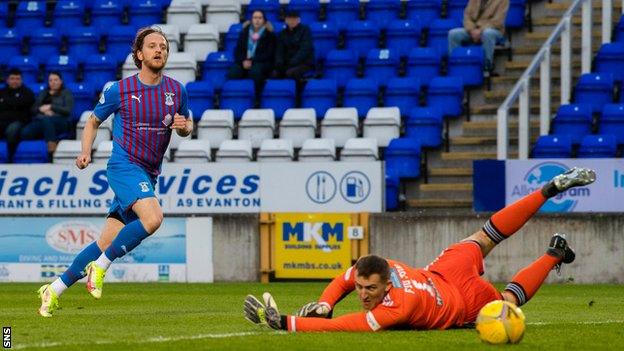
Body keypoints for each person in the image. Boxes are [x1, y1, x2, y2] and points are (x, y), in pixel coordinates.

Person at [244, 167, 596, 332]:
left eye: (370, 290)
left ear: (386, 285)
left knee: (508, 301)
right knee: (486, 235)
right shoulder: (382, 267)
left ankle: (553, 252)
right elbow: (343, 281)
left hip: (463, 303)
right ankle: (548, 196)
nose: (363, 294)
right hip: (445, 272)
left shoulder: (398, 307)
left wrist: (289, 323)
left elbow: (346, 326)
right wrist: (325, 302)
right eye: (361, 288)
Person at [37, 26, 193, 317]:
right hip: (123, 166)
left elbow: (186, 125)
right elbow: (93, 121)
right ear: (139, 54)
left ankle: (54, 289)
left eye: (164, 46)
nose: (159, 50)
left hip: (147, 174)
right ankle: (102, 267)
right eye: (152, 46)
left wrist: (186, 128)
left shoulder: (176, 90)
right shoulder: (119, 90)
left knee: (104, 242)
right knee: (154, 217)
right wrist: (85, 151)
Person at [20, 71, 74, 155]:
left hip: (61, 121)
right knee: (25, 133)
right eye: (50, 80)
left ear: (61, 81)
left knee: (46, 120)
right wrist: (41, 110)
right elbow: (33, 109)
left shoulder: (66, 93)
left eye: (56, 80)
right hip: (42, 120)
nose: (53, 82)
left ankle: (51, 148)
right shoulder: (43, 93)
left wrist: (51, 107)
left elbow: (67, 110)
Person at [448, 0, 509, 72]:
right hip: (473, 29)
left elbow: (497, 21)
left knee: (487, 34)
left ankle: (487, 65)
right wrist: (471, 30)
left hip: (494, 30)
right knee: (453, 34)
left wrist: (480, 29)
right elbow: (467, 16)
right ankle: (454, 63)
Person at [227, 10, 276, 93]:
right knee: (234, 71)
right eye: (255, 18)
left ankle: (256, 97)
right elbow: (238, 51)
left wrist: (252, 61)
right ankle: (236, 95)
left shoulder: (269, 35)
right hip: (244, 61)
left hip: (261, 62)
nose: (257, 20)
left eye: (260, 18)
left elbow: (269, 54)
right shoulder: (244, 33)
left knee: (255, 72)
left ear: (264, 20)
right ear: (251, 20)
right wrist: (243, 61)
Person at [0, 68, 35, 162]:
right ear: (7, 80)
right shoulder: (1, 92)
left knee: (12, 130)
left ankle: (10, 157)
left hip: (19, 121)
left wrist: (8, 103)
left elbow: (26, 110)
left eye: (17, 78)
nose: (15, 81)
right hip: (2, 121)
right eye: (12, 78)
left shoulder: (28, 93)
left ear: (21, 80)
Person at [272, 10, 314, 81]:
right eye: (290, 19)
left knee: (291, 73)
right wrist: (279, 63)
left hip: (303, 63)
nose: (292, 21)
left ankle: (296, 91)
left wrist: (292, 62)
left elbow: (305, 49)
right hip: (287, 63)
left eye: (294, 19)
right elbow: (279, 51)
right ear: (286, 20)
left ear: (299, 20)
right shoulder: (282, 34)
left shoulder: (305, 30)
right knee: (274, 73)